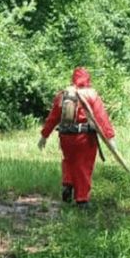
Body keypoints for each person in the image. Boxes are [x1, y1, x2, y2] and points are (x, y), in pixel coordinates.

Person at [38, 67, 116, 209]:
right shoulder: (91, 95)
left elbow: (53, 117)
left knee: (69, 161)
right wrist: (110, 138)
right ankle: (82, 199)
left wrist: (44, 136)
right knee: (83, 165)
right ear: (88, 79)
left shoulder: (63, 95)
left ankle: (67, 184)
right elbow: (102, 118)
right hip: (84, 138)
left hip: (65, 136)